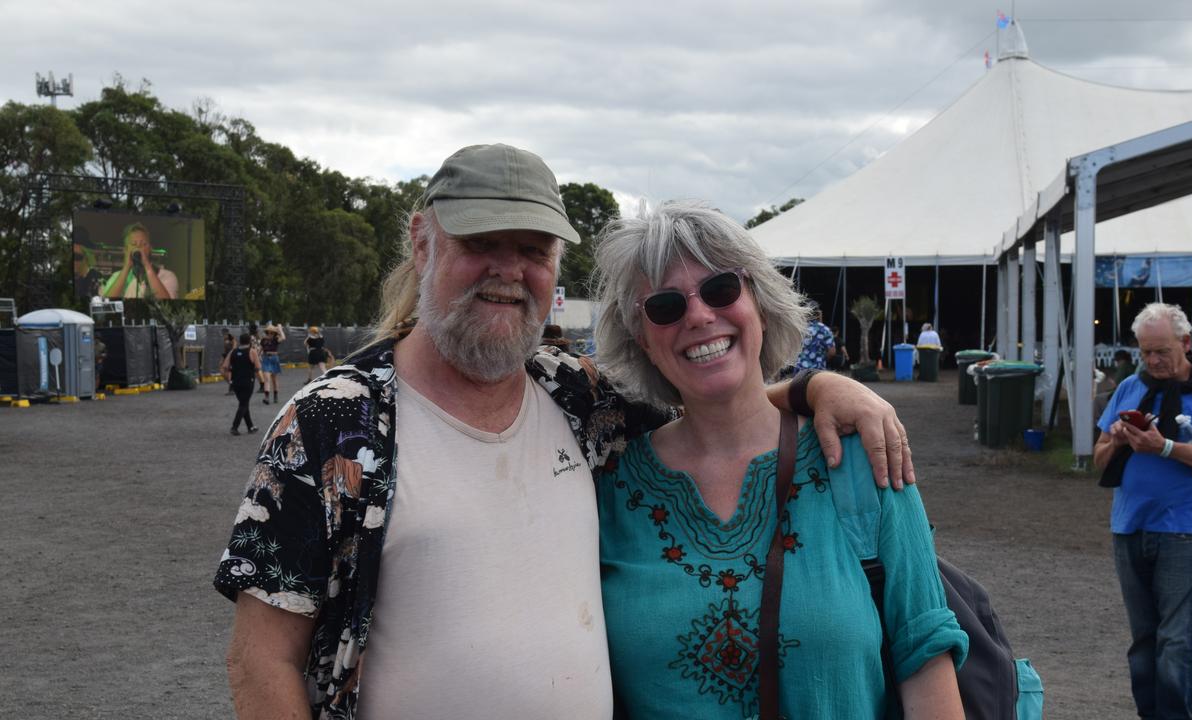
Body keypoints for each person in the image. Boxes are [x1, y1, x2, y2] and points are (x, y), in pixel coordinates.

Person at [213, 143, 916, 719]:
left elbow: (713, 399)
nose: (508, 270)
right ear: (423, 242)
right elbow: (261, 658)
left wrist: (816, 386)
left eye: (533, 249)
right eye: (481, 242)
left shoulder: (579, 398)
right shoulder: (333, 422)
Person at [592, 200, 965, 719]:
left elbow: (925, 653)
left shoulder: (859, 458)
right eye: (665, 306)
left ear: (760, 305)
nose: (699, 316)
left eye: (721, 289)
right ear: (642, 339)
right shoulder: (607, 491)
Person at [1093, 302, 1192, 720]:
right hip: (1129, 525)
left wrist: (1166, 447)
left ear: (1186, 343)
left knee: (1176, 639)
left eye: (1161, 351)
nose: (1153, 361)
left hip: (1184, 529)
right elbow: (1099, 459)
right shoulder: (1129, 387)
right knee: (1143, 638)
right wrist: (1120, 438)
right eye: (1145, 352)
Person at [101, 223, 178, 300]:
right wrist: (126, 267)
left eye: (143, 244)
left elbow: (167, 305)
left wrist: (147, 265)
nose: (138, 247)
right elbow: (106, 305)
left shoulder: (167, 276)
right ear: (126, 250)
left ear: (150, 248)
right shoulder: (116, 277)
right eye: (134, 244)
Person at [220, 332, 262, 436]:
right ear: (249, 341)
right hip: (248, 381)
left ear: (240, 341)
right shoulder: (252, 351)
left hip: (235, 382)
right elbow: (258, 367)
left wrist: (231, 375)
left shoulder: (233, 352)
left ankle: (250, 427)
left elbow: (225, 366)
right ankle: (234, 427)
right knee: (243, 404)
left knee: (244, 403)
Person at [259, 324, 286, 404]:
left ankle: (275, 395)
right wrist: (259, 356)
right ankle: (266, 397)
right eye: (268, 333)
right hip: (266, 358)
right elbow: (260, 349)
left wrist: (280, 329)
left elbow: (283, 338)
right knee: (267, 378)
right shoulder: (263, 340)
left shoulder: (276, 339)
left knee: (274, 379)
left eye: (271, 333)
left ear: (274, 333)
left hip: (274, 358)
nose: (269, 334)